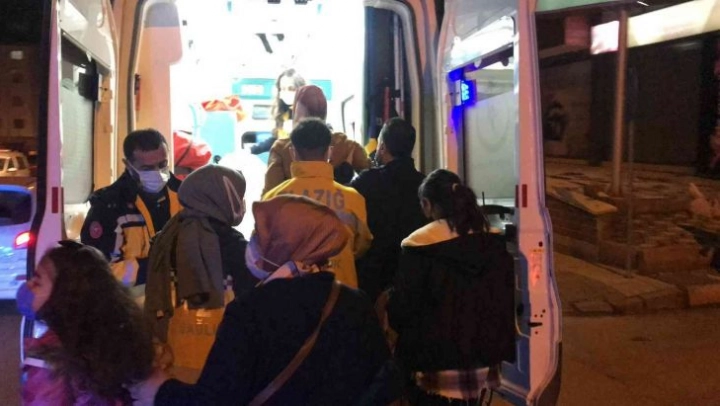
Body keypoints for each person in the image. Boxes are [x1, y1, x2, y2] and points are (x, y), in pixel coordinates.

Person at [130, 195, 395, 406]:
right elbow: (380, 385)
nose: (252, 242)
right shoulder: (355, 303)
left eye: (261, 234)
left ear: (282, 244)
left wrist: (159, 389)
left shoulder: (250, 312)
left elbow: (215, 399)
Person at [387, 169, 516, 405]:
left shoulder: (418, 246)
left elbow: (402, 312)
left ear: (427, 204)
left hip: (432, 365)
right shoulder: (493, 244)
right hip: (482, 362)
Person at [18, 241, 154, 405]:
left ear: (64, 293)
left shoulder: (50, 360)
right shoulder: (120, 337)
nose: (28, 285)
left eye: (37, 281)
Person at [145, 164, 256, 343]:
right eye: (239, 196)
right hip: (218, 343)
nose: (241, 203)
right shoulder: (231, 243)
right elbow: (251, 299)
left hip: (172, 343)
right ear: (222, 197)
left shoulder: (166, 237)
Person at [263, 118, 372, 287]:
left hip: (289, 293)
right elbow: (361, 246)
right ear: (329, 152)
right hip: (340, 292)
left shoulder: (273, 198)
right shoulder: (353, 198)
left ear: (293, 152)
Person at [81, 129, 182, 289]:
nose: (158, 173)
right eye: (147, 168)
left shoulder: (185, 197)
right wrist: (158, 266)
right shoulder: (109, 206)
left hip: (181, 301)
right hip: (134, 301)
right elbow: (100, 272)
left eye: (162, 165)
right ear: (128, 164)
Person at [350, 117, 427, 303]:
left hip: (371, 279)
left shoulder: (365, 183)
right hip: (414, 278)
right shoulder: (425, 185)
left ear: (382, 147)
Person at [262, 84, 370, 194]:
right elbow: (373, 180)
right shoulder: (346, 144)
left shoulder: (281, 149)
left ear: (296, 111)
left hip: (293, 204)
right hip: (338, 203)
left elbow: (269, 195)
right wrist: (345, 184)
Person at [250, 68, 306, 155]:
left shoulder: (310, 113)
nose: (286, 92)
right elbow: (277, 140)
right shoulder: (284, 114)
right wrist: (253, 149)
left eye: (291, 88)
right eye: (282, 89)